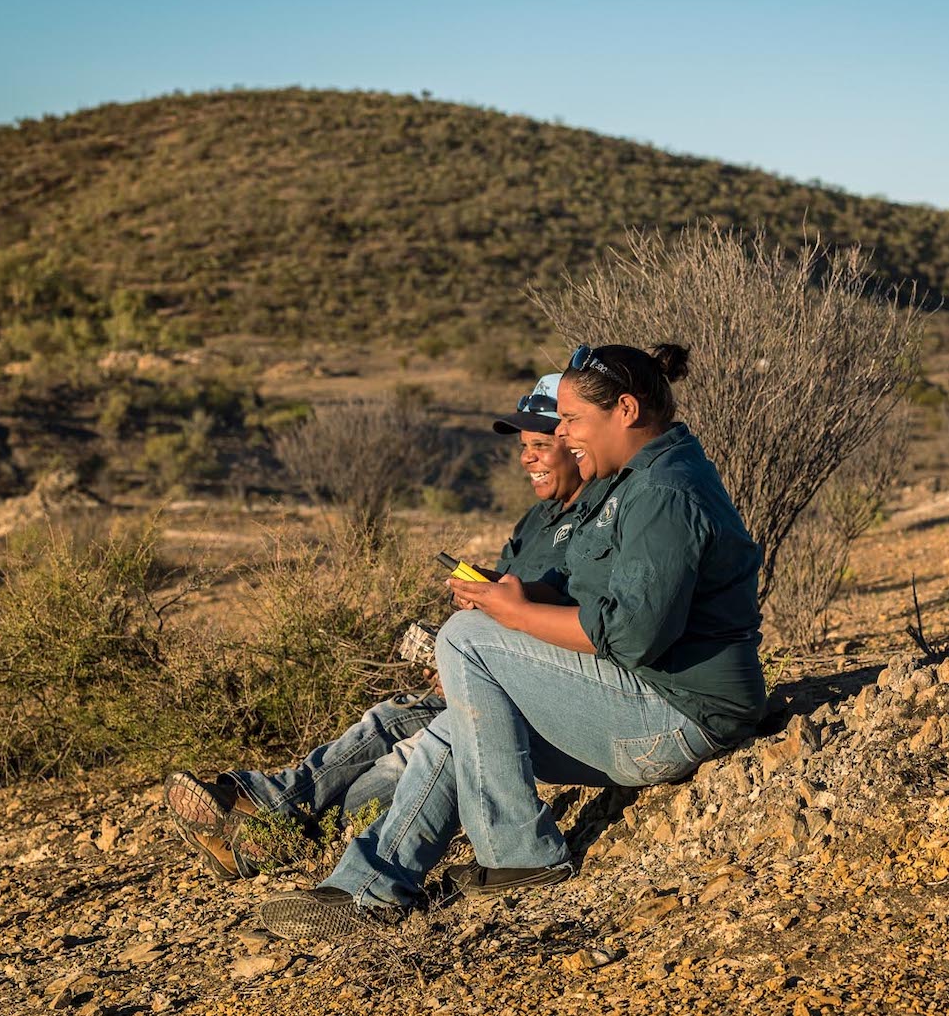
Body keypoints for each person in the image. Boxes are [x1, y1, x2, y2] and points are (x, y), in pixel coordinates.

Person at [257, 343, 765, 940]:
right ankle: (370, 888)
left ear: (625, 409)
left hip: (678, 715)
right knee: (461, 722)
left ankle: (521, 852)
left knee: (469, 638)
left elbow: (631, 637)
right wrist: (519, 602)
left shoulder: (663, 491)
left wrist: (514, 616)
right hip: (650, 701)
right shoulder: (641, 481)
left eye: (572, 420)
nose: (564, 433)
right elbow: (615, 611)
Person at [163, 373, 591, 880]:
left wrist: (489, 641)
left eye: (542, 445)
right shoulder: (535, 524)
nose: (528, 458)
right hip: (495, 676)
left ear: (578, 444)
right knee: (389, 717)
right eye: (525, 447)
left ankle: (274, 838)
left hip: (538, 692)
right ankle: (266, 810)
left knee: (401, 761)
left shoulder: (596, 521)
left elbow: (584, 624)